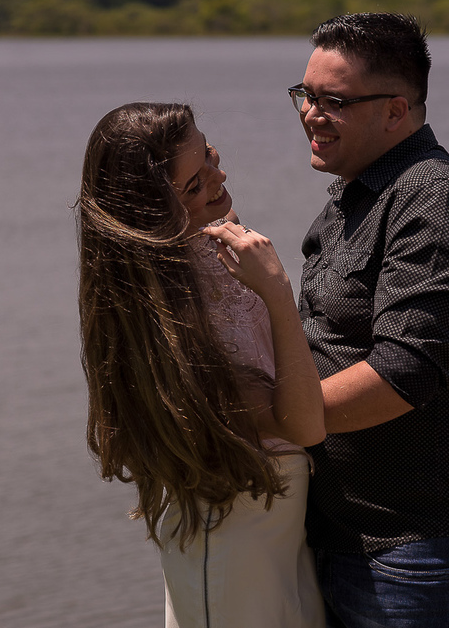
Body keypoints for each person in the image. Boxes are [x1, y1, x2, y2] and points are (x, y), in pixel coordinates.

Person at [290, 13, 449, 628]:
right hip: (351, 545)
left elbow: (404, 374)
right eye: (306, 95)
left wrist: (268, 419)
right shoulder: (356, 195)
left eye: (334, 101)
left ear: (396, 111)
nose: (311, 114)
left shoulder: (436, 201)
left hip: (426, 557)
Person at [76, 102, 327, 628]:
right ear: (153, 215)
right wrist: (278, 291)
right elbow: (303, 424)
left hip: (274, 527)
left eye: (210, 155)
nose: (220, 176)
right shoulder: (171, 323)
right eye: (194, 184)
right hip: (233, 536)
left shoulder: (213, 250)